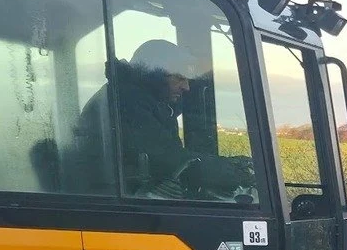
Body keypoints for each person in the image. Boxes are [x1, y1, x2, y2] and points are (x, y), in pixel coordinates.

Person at [72, 39, 247, 198]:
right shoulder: (126, 102)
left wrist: (227, 165)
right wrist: (233, 172)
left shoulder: (144, 100)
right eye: (179, 78)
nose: (186, 87)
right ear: (154, 75)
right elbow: (168, 159)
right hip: (107, 202)